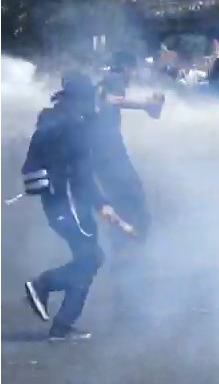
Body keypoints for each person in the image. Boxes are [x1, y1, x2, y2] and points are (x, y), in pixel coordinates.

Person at [23, 73, 136, 341]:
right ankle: (43, 287)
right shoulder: (75, 128)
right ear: (81, 101)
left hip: (54, 204)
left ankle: (62, 324)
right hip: (71, 204)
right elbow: (82, 175)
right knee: (90, 259)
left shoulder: (50, 120)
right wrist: (104, 206)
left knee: (89, 258)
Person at [91, 54, 164, 326]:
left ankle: (127, 294)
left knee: (132, 222)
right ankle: (129, 297)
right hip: (113, 165)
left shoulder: (103, 84)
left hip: (110, 165)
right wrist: (145, 104)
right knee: (138, 220)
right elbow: (110, 100)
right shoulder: (111, 82)